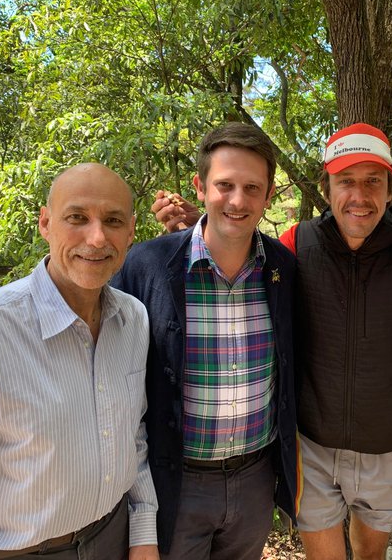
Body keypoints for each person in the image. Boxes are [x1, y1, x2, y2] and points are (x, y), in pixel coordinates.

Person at [153, 122, 392, 560]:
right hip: (311, 444)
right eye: (346, 181)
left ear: (390, 189)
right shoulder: (296, 245)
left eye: (373, 181)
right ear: (326, 186)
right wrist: (200, 225)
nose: (359, 196)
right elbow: (238, 247)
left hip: (386, 444)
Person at [0, 164, 159, 560]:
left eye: (113, 221)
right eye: (77, 217)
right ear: (45, 223)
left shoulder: (133, 318)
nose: (97, 237)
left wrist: (142, 530)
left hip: (112, 537)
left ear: (131, 231)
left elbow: (131, 434)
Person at [110, 123, 298, 560]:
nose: (238, 201)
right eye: (224, 185)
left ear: (268, 195)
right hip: (175, 480)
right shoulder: (149, 265)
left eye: (252, 188)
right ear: (200, 186)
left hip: (255, 479)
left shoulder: (283, 269)